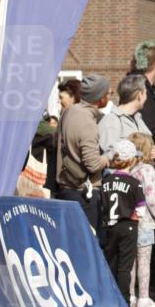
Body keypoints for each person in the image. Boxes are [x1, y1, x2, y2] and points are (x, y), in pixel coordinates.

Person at [56, 73, 110, 230]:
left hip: (66, 188)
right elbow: (92, 164)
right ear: (100, 98)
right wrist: (109, 157)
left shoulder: (68, 112)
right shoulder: (87, 122)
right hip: (83, 194)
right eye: (108, 93)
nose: (110, 96)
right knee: (86, 241)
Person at [101, 139, 145, 307]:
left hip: (110, 226)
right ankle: (124, 304)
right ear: (131, 160)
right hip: (127, 226)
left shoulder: (106, 181)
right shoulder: (134, 183)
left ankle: (110, 302)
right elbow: (141, 210)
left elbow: (103, 205)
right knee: (124, 267)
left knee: (111, 264)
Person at [128, 132, 155, 307]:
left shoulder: (129, 170)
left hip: (130, 219)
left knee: (131, 262)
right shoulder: (148, 170)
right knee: (144, 260)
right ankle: (143, 297)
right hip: (145, 220)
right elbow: (151, 197)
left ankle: (130, 296)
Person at [99, 74, 152, 156]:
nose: (146, 97)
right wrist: (142, 154)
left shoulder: (138, 118)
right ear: (139, 95)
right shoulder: (111, 121)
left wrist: (152, 154)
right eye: (145, 93)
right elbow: (108, 156)